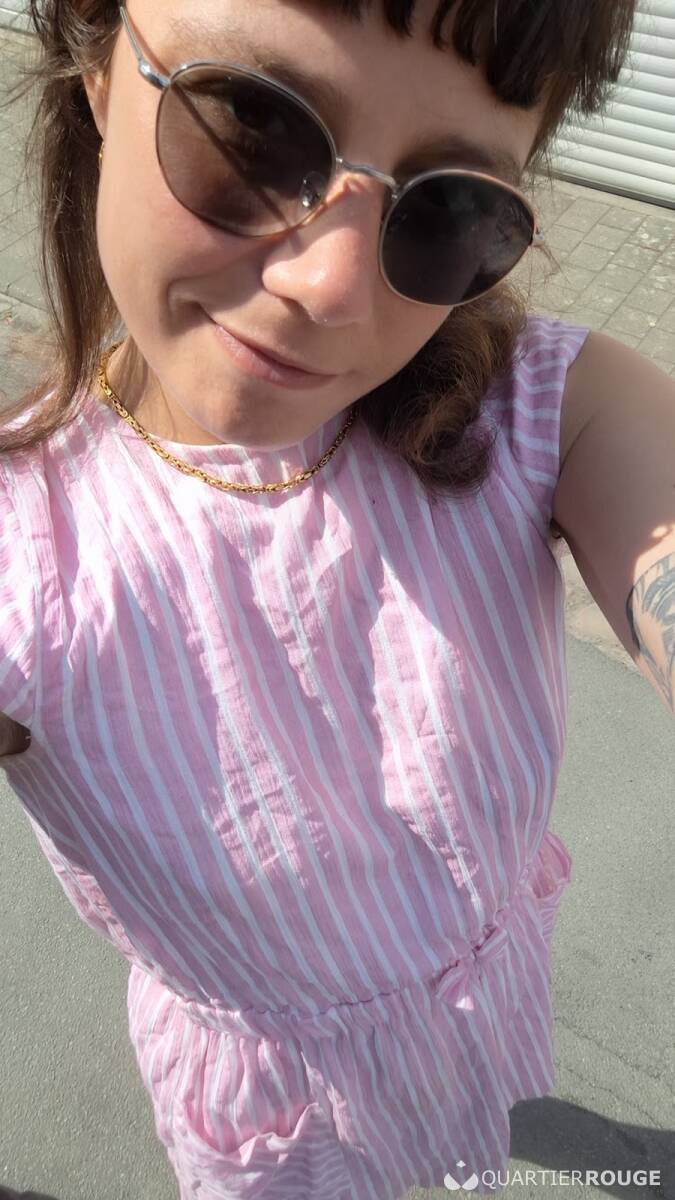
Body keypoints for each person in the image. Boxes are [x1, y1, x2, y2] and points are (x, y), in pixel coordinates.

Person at [0, 1, 673, 1197]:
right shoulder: (28, 554)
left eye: (451, 209)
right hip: (281, 1126)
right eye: (251, 130)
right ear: (97, 68)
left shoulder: (536, 410)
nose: (332, 284)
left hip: (488, 1000)